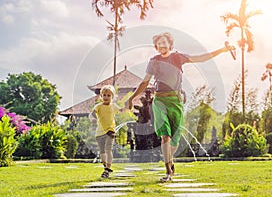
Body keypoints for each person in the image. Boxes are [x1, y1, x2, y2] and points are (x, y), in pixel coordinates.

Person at [125, 32, 233, 182]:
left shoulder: (177, 57)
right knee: (165, 135)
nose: (161, 46)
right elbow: (145, 82)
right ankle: (168, 170)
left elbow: (201, 58)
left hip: (176, 102)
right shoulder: (154, 61)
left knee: (174, 140)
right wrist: (131, 97)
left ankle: (171, 161)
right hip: (160, 102)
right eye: (159, 44)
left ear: (170, 44)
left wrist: (222, 50)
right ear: (156, 47)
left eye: (164, 42)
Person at [89, 85, 123, 178]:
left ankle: (107, 169)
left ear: (112, 97)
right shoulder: (98, 106)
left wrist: (129, 105)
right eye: (104, 95)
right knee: (102, 152)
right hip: (99, 133)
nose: (106, 97)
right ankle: (106, 167)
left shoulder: (113, 106)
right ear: (101, 96)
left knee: (108, 150)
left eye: (108, 95)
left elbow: (122, 110)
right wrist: (92, 119)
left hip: (110, 132)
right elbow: (91, 114)